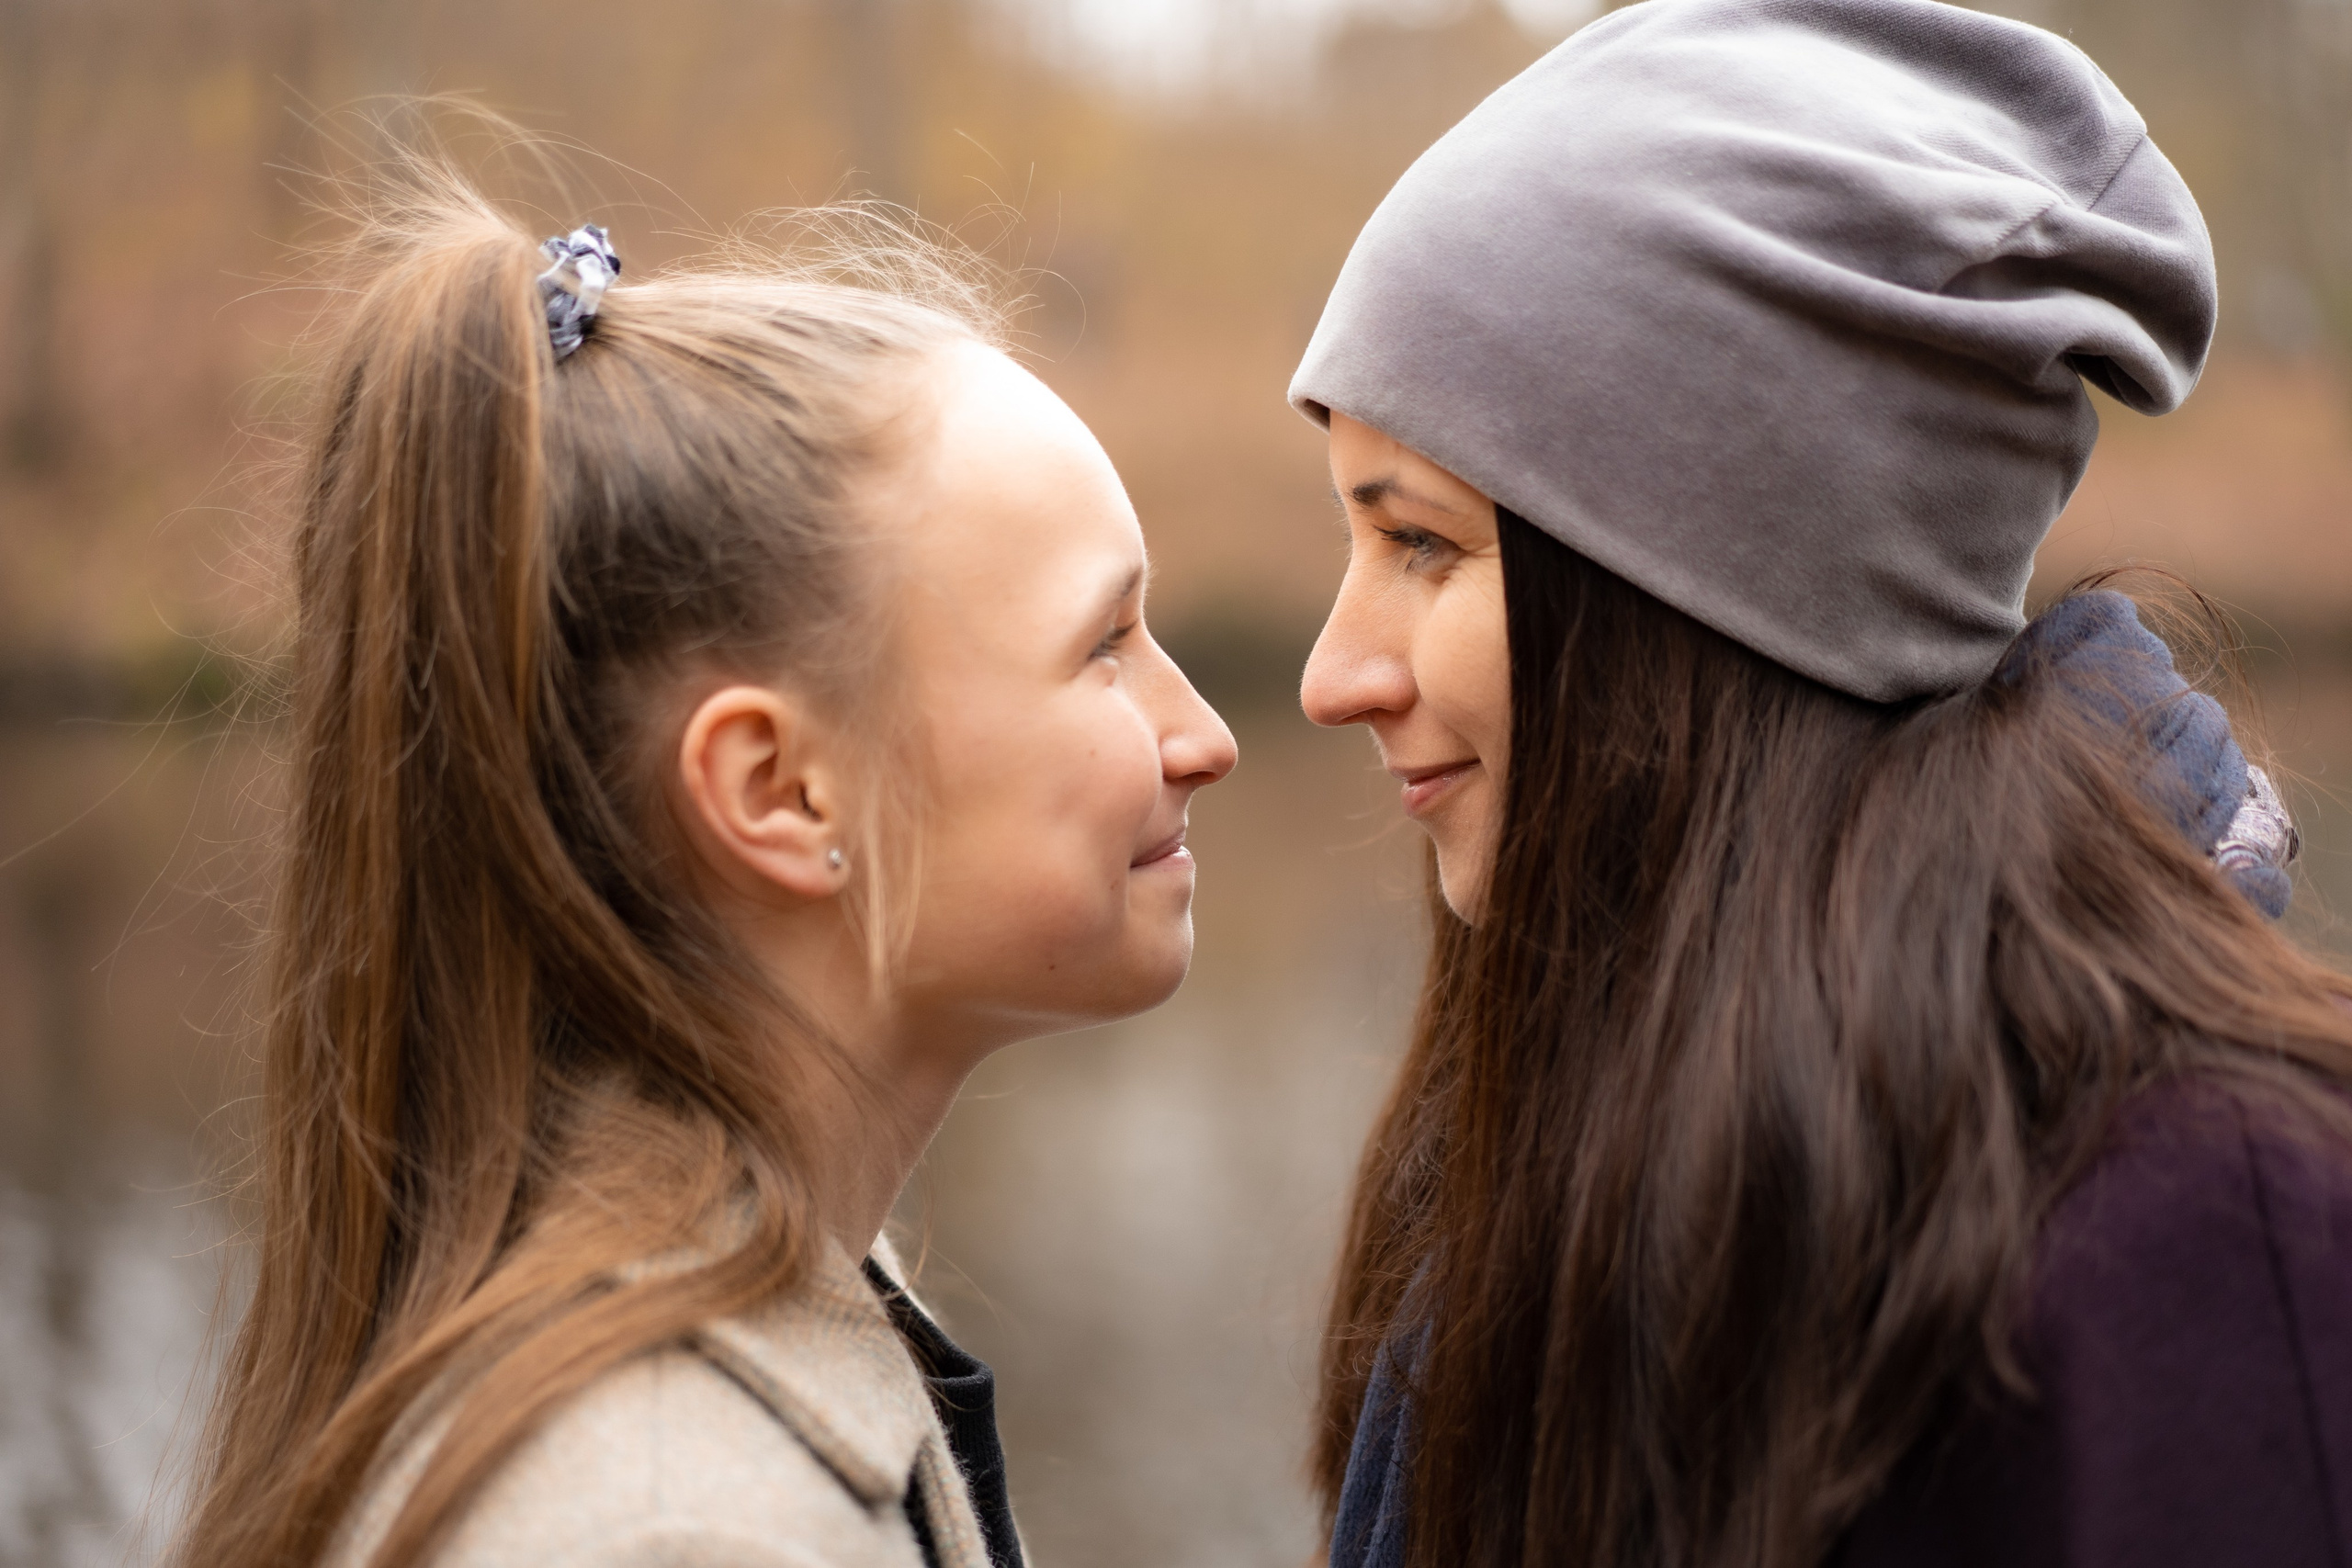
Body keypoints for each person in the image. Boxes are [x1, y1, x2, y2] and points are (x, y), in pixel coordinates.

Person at [1290, 3, 2352, 1566]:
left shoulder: (2217, 1238)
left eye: (1426, 542)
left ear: (1712, 592)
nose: (1332, 673)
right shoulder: (1582, 1143)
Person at [171, 143, 1235, 1568]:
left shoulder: (801, 1307)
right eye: (1104, 645)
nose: (1206, 734)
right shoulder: (674, 1526)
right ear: (782, 789)